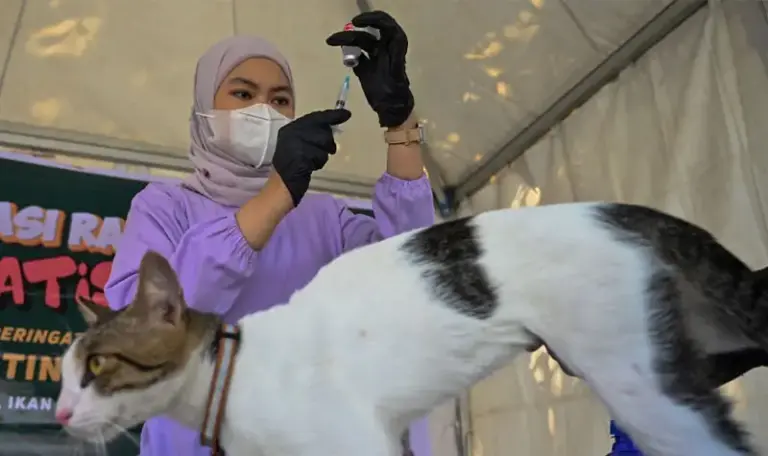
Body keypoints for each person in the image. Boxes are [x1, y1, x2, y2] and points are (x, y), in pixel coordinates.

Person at [105, 11, 435, 456]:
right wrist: (279, 193)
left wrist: (401, 125)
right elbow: (143, 332)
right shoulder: (165, 206)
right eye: (243, 93)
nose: (263, 110)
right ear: (205, 105)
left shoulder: (323, 217)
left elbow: (413, 270)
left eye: (281, 100)